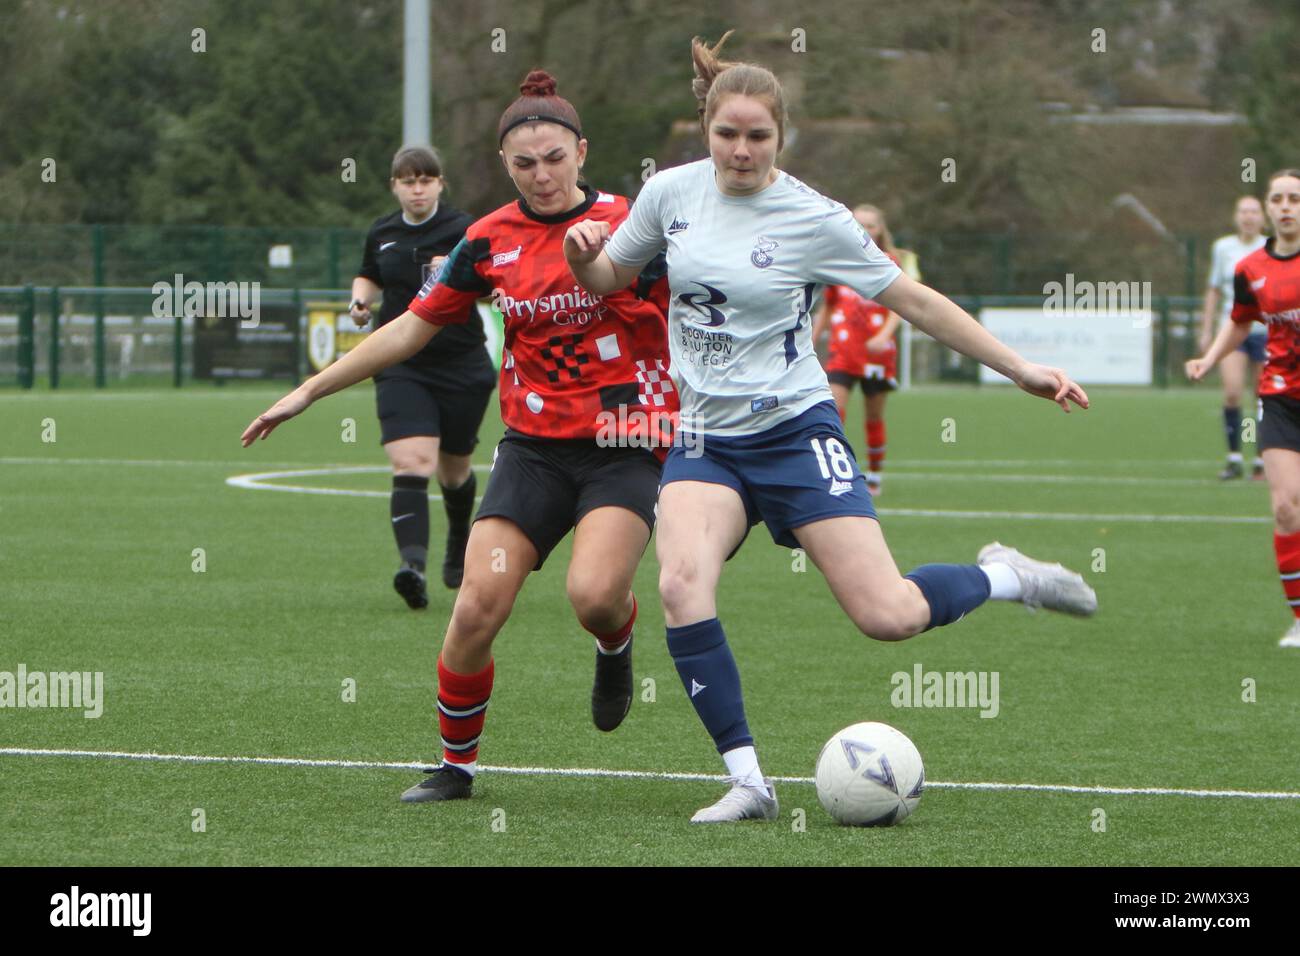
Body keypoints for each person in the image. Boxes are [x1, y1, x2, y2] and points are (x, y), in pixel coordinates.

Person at [564, 31, 1097, 823]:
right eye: (726, 134)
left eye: (758, 136)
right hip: (706, 440)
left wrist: (1018, 366)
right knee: (679, 585)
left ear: (782, 137)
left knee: (890, 617)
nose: (741, 151)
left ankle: (1007, 575)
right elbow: (613, 276)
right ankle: (749, 780)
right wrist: (583, 261)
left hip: (794, 430)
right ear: (705, 126)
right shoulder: (669, 194)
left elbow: (913, 301)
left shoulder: (816, 217)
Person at [242, 70, 678, 800]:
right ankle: (456, 766)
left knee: (594, 596)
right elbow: (410, 326)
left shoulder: (634, 222)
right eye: (524, 163)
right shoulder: (486, 240)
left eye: (554, 158)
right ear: (504, 166)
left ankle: (616, 637)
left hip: (624, 440)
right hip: (534, 449)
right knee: (477, 604)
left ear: (581, 150)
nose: (542, 175)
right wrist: (310, 391)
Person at [351, 146, 496, 609]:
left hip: (461, 364)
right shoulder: (383, 231)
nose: (417, 189)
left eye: (426, 180)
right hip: (400, 362)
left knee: (454, 469)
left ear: (440, 184)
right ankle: (411, 567)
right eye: (408, 181)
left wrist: (458, 277)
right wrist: (360, 302)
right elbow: (368, 275)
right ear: (394, 185)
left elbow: (494, 287)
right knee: (412, 460)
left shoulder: (463, 229)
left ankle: (458, 540)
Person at [1187, 169, 1300, 649]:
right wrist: (1210, 357)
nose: (1285, 206)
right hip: (1280, 398)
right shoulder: (1250, 268)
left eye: (1294, 198)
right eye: (1277, 198)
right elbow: (1240, 322)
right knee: (1286, 507)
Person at [809, 204, 919, 494]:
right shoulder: (838, 261)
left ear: (881, 229)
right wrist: (812, 336)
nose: (866, 229)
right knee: (834, 409)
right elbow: (828, 305)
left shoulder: (889, 262)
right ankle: (836, 468)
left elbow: (901, 306)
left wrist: (884, 334)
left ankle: (874, 473)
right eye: (860, 224)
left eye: (871, 225)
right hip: (844, 350)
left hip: (877, 355)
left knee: (873, 416)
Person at [1197, 196, 1268, 480]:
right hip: (1232, 329)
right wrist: (1206, 330)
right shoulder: (1223, 248)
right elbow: (1213, 289)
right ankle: (1235, 458)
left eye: (1254, 211)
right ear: (1236, 216)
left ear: (1262, 217)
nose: (1248, 217)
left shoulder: (1270, 247)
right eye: (1243, 211)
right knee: (1232, 392)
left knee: (1263, 398)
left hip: (1265, 331)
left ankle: (1262, 458)